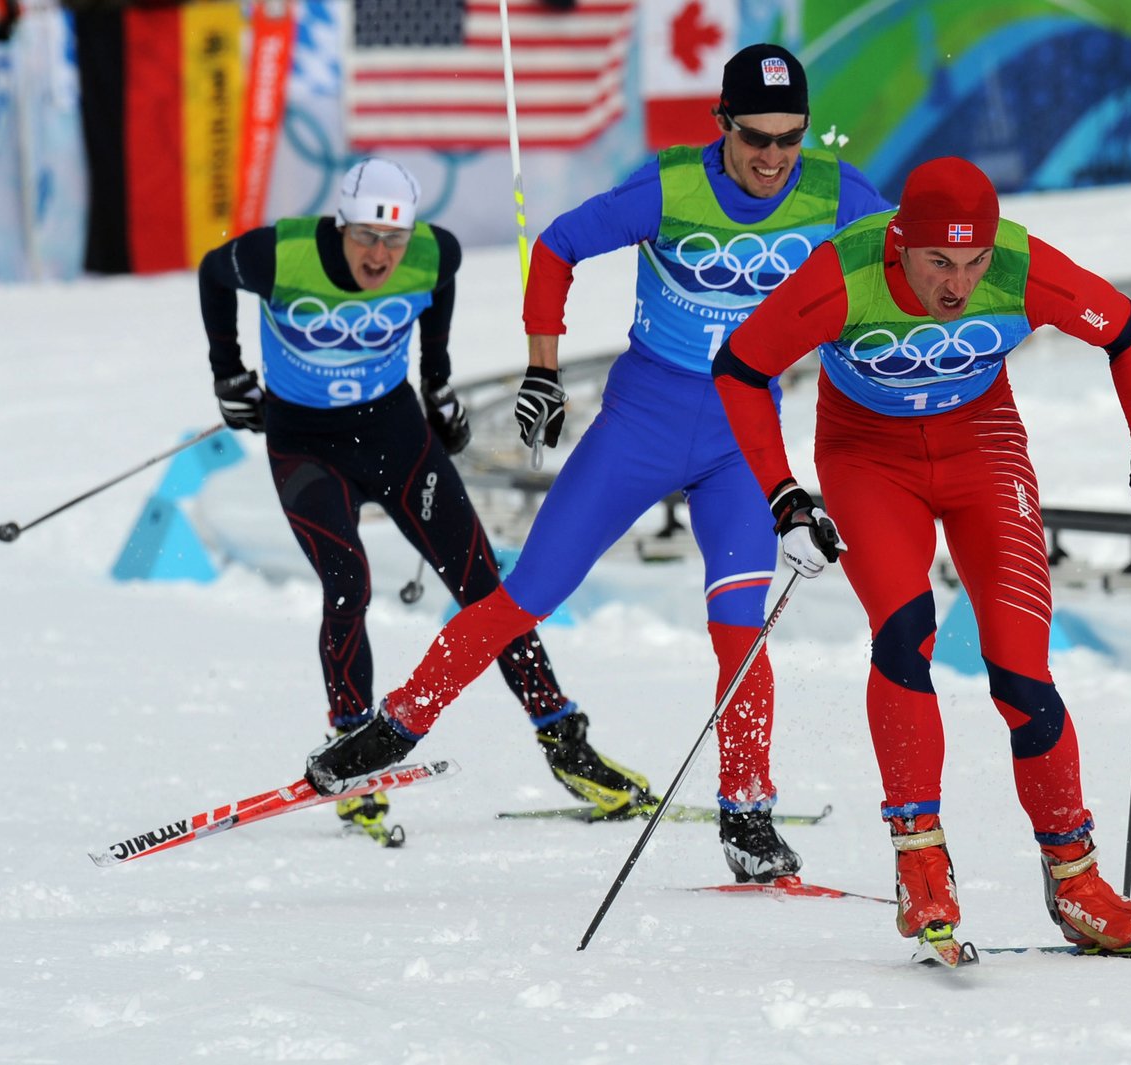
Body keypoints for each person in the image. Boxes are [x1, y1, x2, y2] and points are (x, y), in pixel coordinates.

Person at [304, 45, 892, 882]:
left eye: (790, 138)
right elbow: (557, 248)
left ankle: (748, 813)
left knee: (741, 631)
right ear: (721, 123)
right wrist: (544, 368)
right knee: (525, 595)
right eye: (755, 137)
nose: (772, 158)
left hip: (741, 445)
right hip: (641, 425)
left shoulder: (837, 194)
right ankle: (396, 724)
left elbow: (903, 269)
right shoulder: (672, 187)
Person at [709, 156, 1131, 954]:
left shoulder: (1024, 266)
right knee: (906, 634)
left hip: (983, 448)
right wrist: (785, 498)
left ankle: (1078, 881)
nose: (959, 284)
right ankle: (920, 859)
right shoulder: (845, 271)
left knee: (1021, 666)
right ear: (900, 244)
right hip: (868, 458)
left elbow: (1130, 331)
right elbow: (740, 367)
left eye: (975, 262)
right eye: (940, 261)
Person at [198, 158, 651, 844]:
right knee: (347, 580)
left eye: (393, 241)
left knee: (485, 588)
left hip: (393, 433)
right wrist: (228, 371)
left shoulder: (435, 253)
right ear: (340, 225)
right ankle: (353, 754)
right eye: (365, 239)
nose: (380, 256)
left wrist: (436, 383)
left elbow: (438, 290)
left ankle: (566, 743)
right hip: (305, 444)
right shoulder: (279, 254)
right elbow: (211, 270)